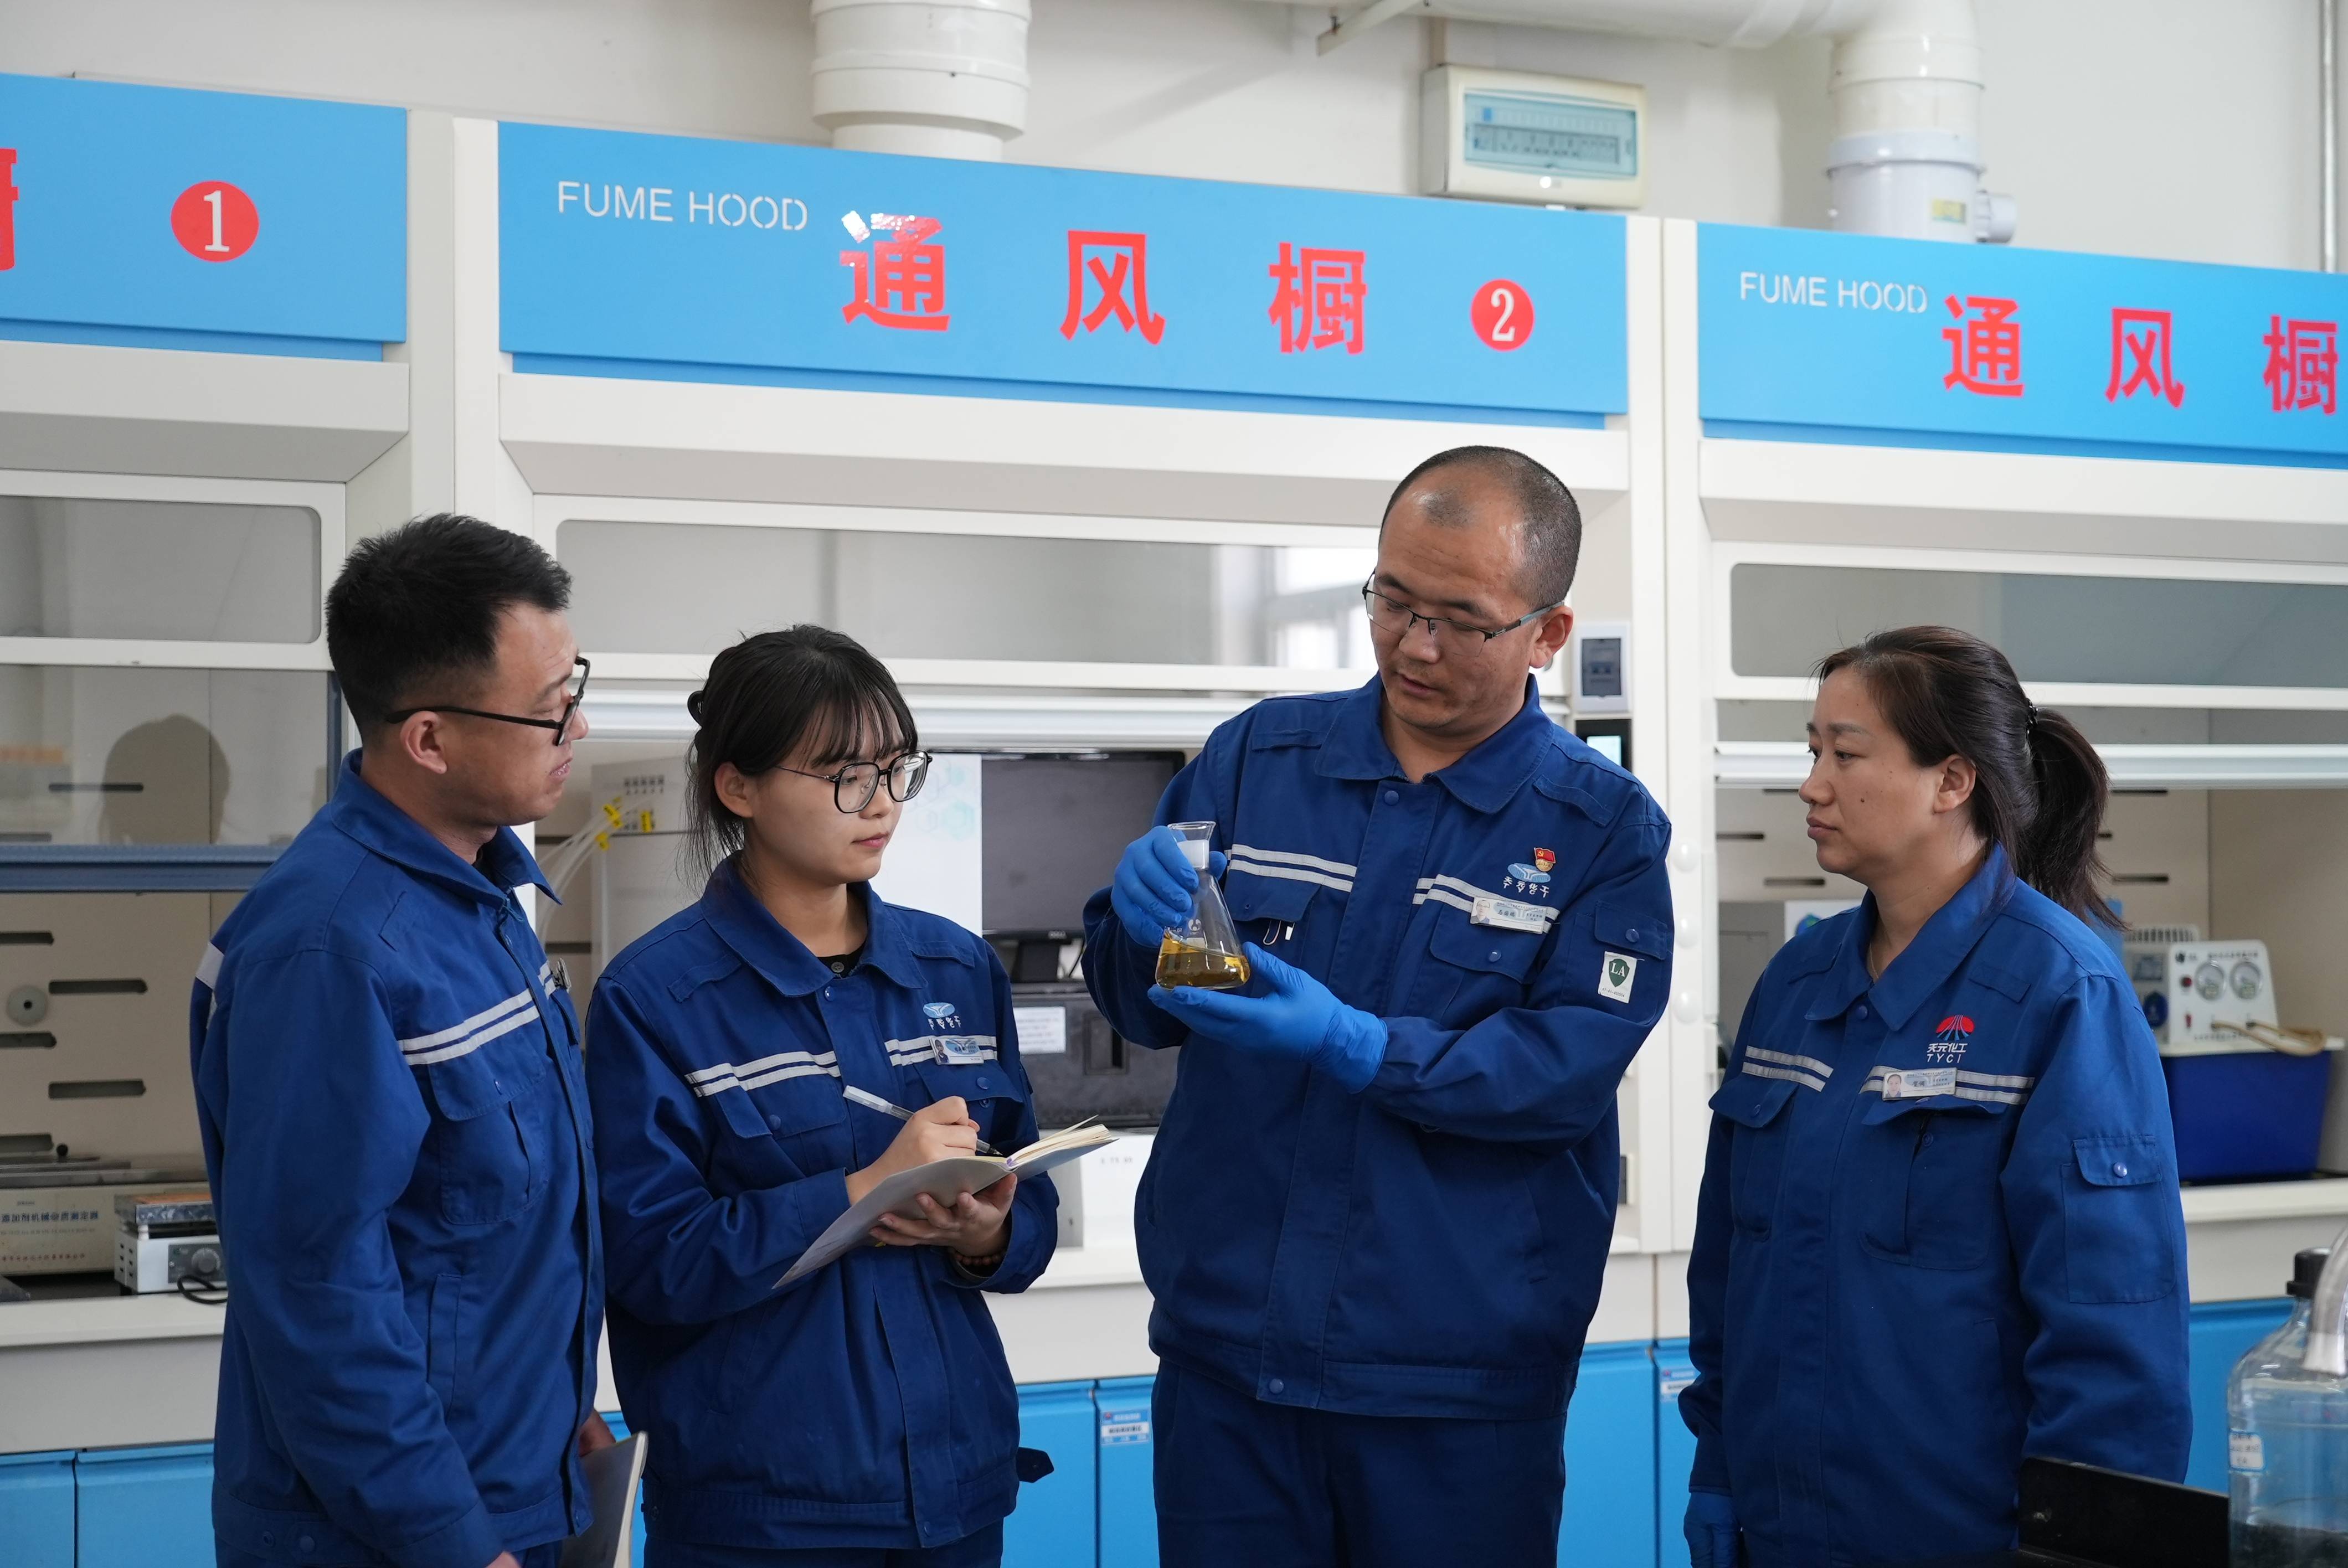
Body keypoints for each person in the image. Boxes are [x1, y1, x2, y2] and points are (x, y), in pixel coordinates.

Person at [1083, 446, 1675, 1567]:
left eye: (1462, 621)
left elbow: (1560, 1074)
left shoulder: (1601, 828)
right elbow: (1151, 1007)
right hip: (1229, 1366)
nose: (1414, 645)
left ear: (1547, 633)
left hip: (1453, 1391)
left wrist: (1356, 1045)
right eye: (1392, 601)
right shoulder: (1258, 759)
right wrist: (1129, 923)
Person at [1679, 626, 2191, 1568]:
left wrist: (2081, 1551)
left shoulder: (2061, 992)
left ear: (1952, 780)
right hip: (1779, 1528)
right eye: (1811, 751)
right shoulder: (1796, 982)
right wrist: (1716, 1465)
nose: (1811, 785)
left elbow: (2112, 1334)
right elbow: (1730, 1271)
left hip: (1964, 1540)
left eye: (1845, 754)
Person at [584, 626, 1058, 1568]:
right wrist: (861, 1194)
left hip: (956, 1493)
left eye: (896, 769)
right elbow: (649, 1264)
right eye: (845, 776)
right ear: (739, 788)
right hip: (765, 1514)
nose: (881, 802)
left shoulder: (955, 968)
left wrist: (986, 1233)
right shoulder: (656, 999)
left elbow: (1030, 1207)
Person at [190, 514, 609, 1568]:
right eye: (549, 709)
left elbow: (482, 1235)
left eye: (574, 688)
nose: (579, 727)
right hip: (387, 1534)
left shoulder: (479, 896)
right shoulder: (330, 949)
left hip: (512, 1488)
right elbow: (322, 1295)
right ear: (428, 739)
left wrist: (559, 1412)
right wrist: (452, 1541)